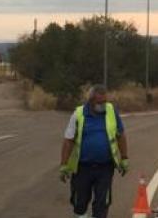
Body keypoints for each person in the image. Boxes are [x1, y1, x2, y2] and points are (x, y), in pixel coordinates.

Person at [59, 85, 130, 218]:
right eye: (99, 102)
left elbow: (121, 135)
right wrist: (64, 165)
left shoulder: (111, 111)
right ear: (91, 101)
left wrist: (124, 158)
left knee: (102, 204)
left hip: (105, 168)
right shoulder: (78, 114)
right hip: (82, 169)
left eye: (105, 102)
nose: (103, 105)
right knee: (79, 203)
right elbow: (68, 140)